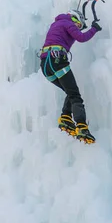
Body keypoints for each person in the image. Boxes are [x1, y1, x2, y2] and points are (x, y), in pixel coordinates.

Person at [40, 9, 102, 143]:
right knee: (75, 94)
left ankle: (66, 118)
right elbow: (81, 37)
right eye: (79, 24)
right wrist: (94, 29)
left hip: (46, 65)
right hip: (57, 59)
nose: (78, 28)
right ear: (75, 18)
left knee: (69, 91)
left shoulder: (56, 24)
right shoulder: (68, 23)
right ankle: (81, 125)